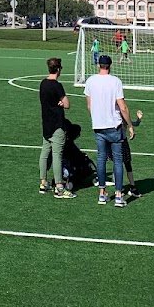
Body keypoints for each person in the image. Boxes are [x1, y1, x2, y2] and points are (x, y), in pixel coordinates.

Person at [83, 54, 132, 207]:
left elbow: (89, 105)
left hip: (99, 127)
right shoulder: (115, 81)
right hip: (114, 126)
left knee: (101, 159)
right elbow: (122, 107)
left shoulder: (91, 81)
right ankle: (118, 195)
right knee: (117, 161)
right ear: (110, 66)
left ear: (99, 65)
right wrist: (130, 125)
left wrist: (97, 118)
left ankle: (102, 193)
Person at [38, 57, 76, 199]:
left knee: (44, 153)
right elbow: (67, 104)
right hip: (57, 125)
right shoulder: (57, 85)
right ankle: (59, 187)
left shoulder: (43, 83)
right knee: (57, 156)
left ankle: (43, 182)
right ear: (58, 69)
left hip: (46, 124)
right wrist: (60, 103)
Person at [120, 108, 144, 198]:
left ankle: (131, 187)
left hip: (122, 141)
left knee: (127, 164)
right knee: (119, 165)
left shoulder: (121, 115)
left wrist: (139, 119)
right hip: (116, 142)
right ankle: (120, 188)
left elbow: (133, 124)